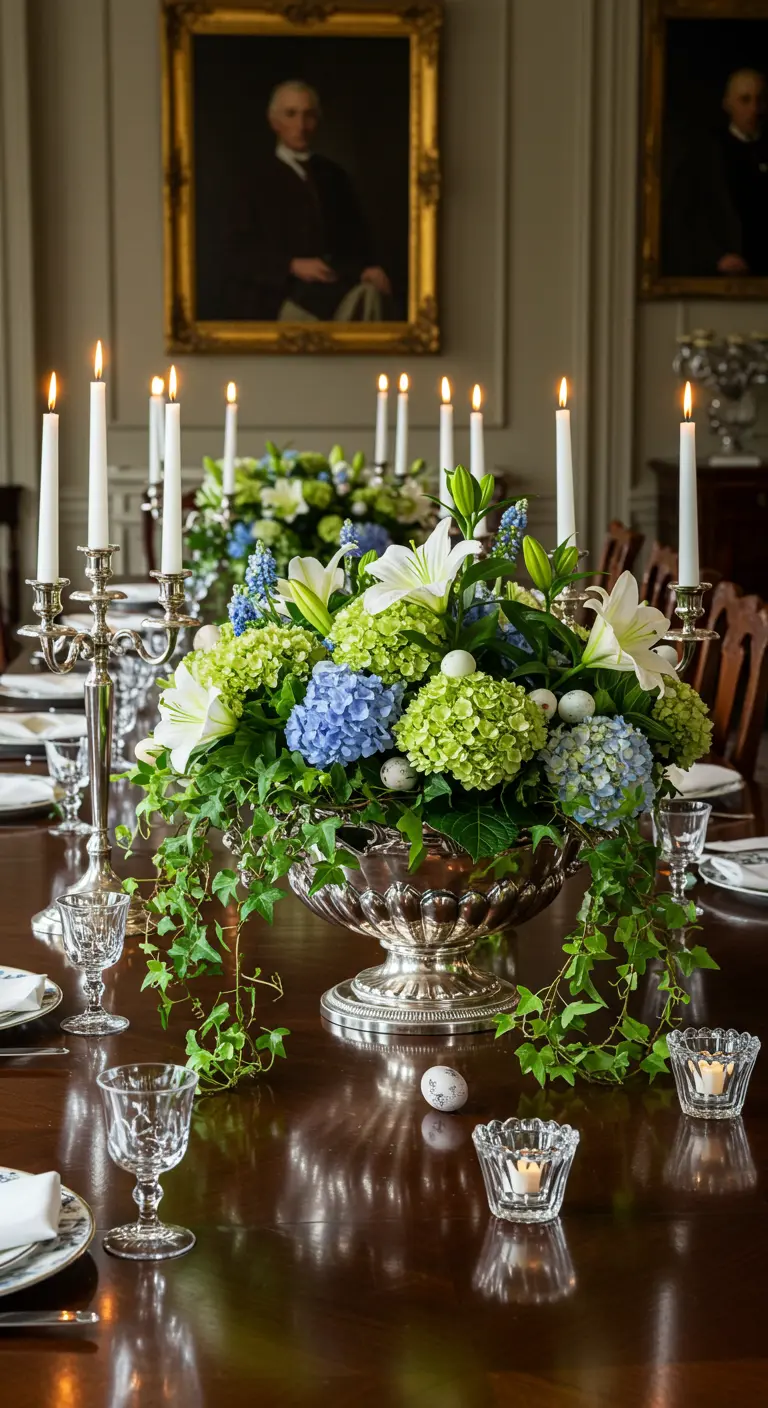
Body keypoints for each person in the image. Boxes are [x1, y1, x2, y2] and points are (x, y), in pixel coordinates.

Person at [233, 80, 392, 321]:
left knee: (369, 298)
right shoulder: (253, 178)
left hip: (337, 289)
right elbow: (238, 253)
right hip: (281, 297)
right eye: (291, 114)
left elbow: (358, 242)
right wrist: (292, 265)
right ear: (274, 122)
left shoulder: (335, 176)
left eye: (308, 116)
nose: (301, 125)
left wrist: (366, 268)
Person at [664, 68, 768, 277]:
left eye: (760, 100)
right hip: (722, 279)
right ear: (728, 104)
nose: (754, 109)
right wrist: (716, 257)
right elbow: (681, 220)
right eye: (745, 100)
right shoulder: (705, 156)